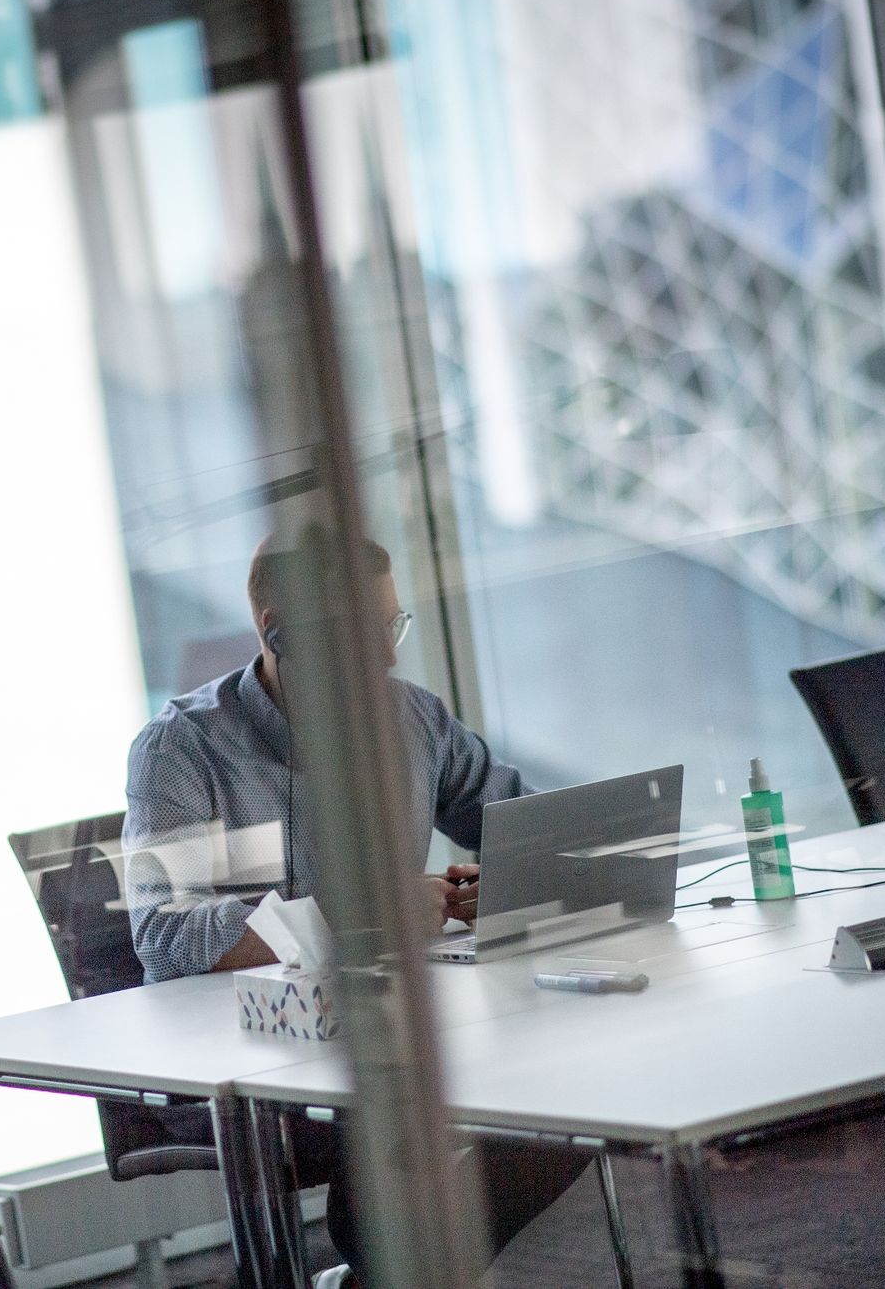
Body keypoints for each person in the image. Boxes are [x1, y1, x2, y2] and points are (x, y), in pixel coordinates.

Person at [122, 528, 591, 1286]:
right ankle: (387, 1251)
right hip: (241, 1058)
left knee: (569, 1086)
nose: (387, 656)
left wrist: (507, 878)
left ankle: (385, 1259)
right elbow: (165, 934)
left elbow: (524, 824)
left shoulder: (410, 718)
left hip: (384, 1031)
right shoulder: (180, 750)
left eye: (391, 625)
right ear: (276, 630)